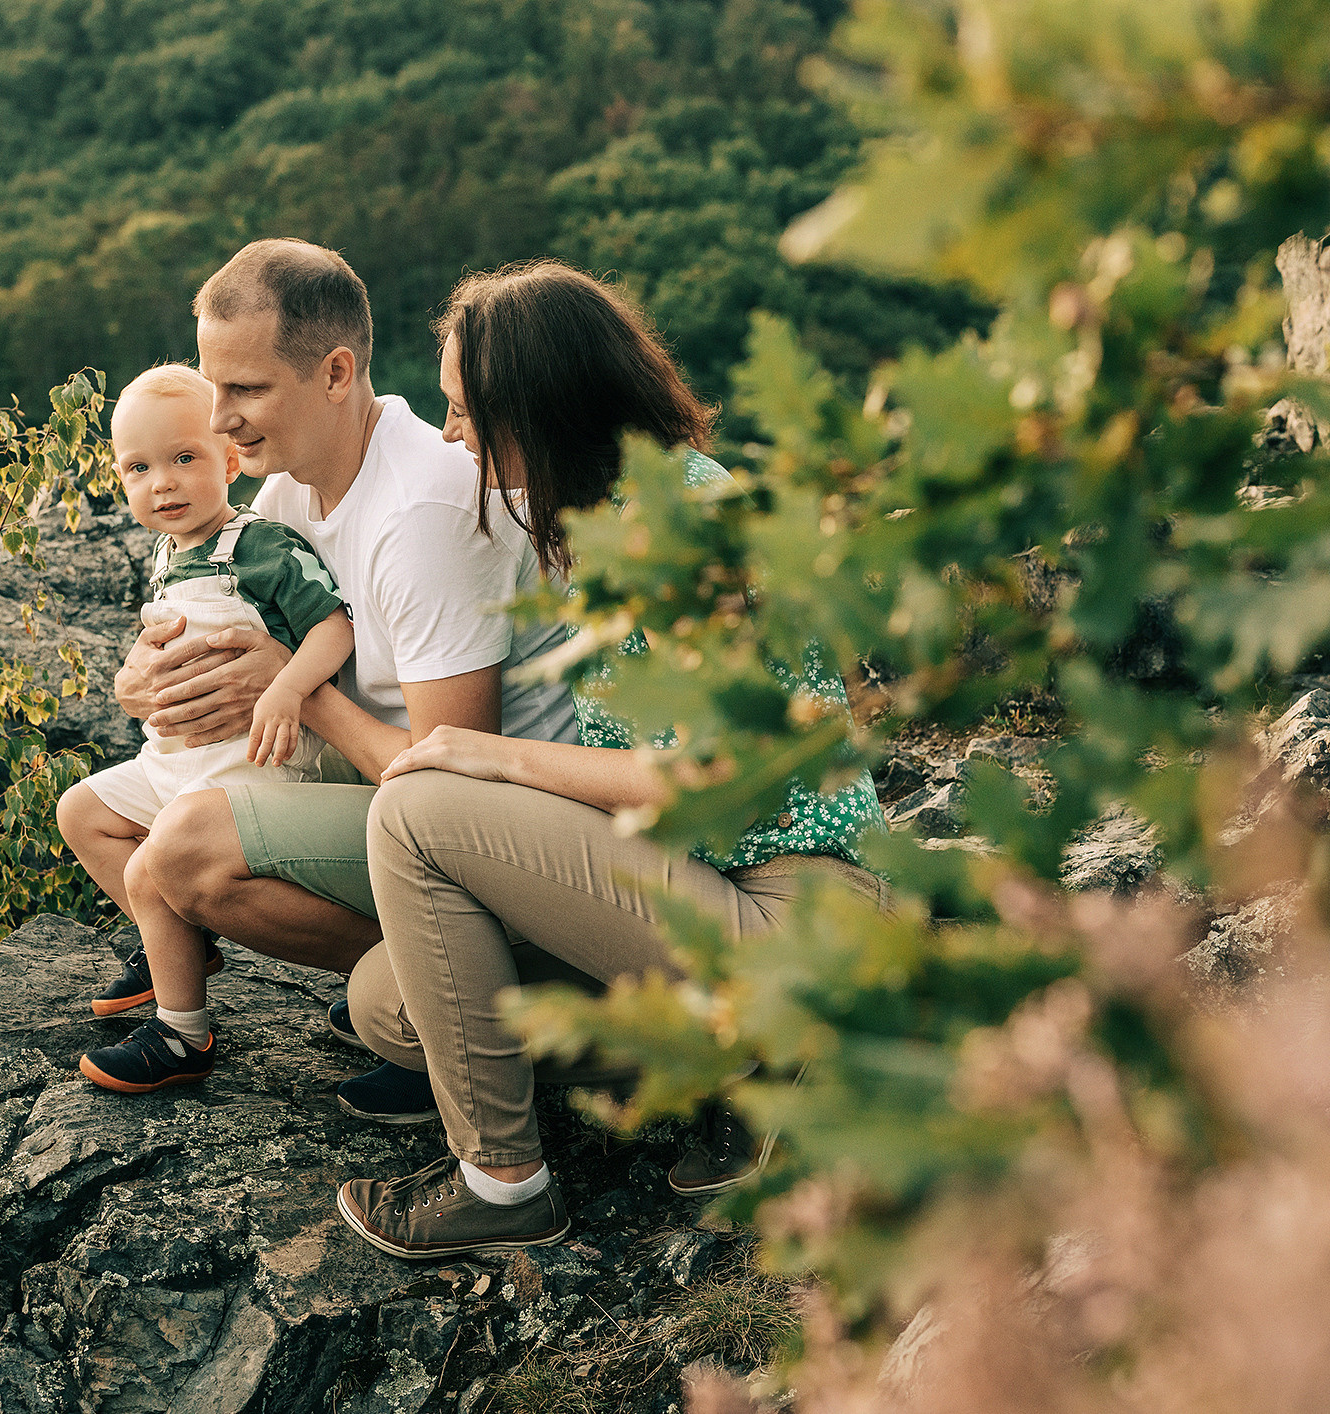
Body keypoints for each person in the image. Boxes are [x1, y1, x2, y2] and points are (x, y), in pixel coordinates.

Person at [331, 260, 889, 1261]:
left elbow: (707, 777)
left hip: (795, 909)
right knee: (389, 1002)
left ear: (538, 410)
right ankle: (731, 1065)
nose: (452, 437)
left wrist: (490, 760)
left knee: (412, 813)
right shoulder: (602, 523)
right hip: (702, 890)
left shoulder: (688, 522)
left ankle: (502, 1184)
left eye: (465, 412)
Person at [101, 240, 579, 1048]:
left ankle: (456, 1000)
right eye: (214, 386)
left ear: (334, 373)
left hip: (511, 844)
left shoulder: (422, 518)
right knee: (119, 818)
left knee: (183, 850)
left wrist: (294, 689)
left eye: (247, 388)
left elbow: (454, 777)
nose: (218, 420)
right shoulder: (288, 486)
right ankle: (406, 1000)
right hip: (385, 793)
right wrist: (140, 685)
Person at [56, 364, 355, 1094]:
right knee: (83, 812)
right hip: (181, 758)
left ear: (227, 459)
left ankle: (183, 1031)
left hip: (254, 765)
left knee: (151, 863)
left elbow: (333, 627)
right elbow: (154, 649)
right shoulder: (165, 557)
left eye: (183, 459)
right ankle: (178, 944)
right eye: (139, 468)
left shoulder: (260, 547)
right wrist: (135, 685)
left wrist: (288, 687)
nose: (163, 484)